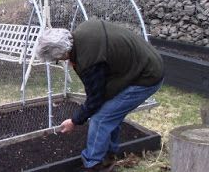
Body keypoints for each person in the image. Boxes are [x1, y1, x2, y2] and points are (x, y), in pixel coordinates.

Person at [35, 20, 164, 172]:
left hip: (146, 76)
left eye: (57, 59)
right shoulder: (82, 32)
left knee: (101, 118)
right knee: (110, 112)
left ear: (63, 53)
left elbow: (95, 99)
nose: (60, 62)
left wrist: (75, 121)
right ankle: (109, 153)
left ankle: (94, 165)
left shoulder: (89, 60)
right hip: (140, 64)